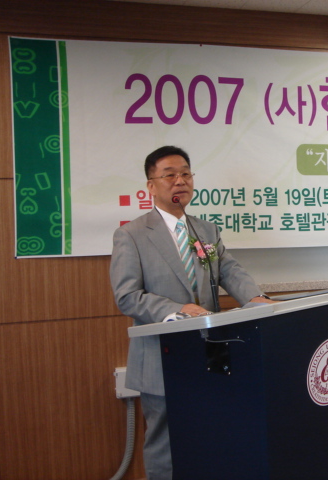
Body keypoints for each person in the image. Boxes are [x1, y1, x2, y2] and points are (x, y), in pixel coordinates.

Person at [110, 145, 274, 480]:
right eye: (169, 175)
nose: (180, 181)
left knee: (211, 435)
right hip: (161, 357)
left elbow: (230, 270)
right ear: (151, 185)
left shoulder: (206, 231)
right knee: (166, 444)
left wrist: (256, 299)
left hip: (211, 354)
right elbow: (127, 296)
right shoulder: (131, 234)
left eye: (185, 173)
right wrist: (176, 310)